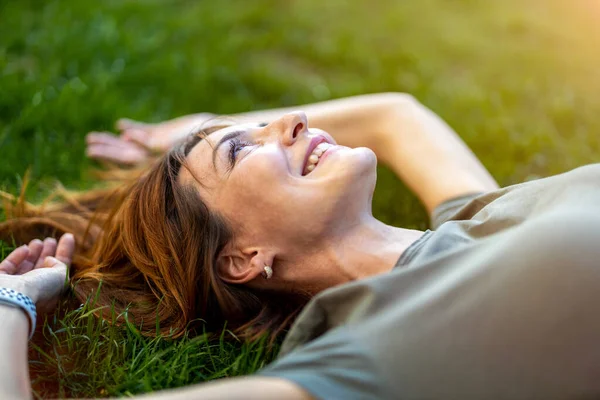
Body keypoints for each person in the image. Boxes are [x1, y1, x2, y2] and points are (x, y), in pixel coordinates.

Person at [1, 93, 600, 399]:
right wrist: (14, 300)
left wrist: (190, 132)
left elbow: (396, 117)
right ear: (243, 258)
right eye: (241, 151)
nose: (292, 119)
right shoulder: (378, 346)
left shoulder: (474, 216)